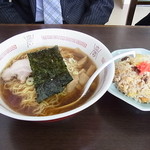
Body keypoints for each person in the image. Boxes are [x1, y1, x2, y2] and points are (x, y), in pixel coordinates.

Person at [0, 0, 114, 24]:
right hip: (26, 22)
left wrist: (84, 30)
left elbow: (103, 2)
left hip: (78, 22)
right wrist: (22, 28)